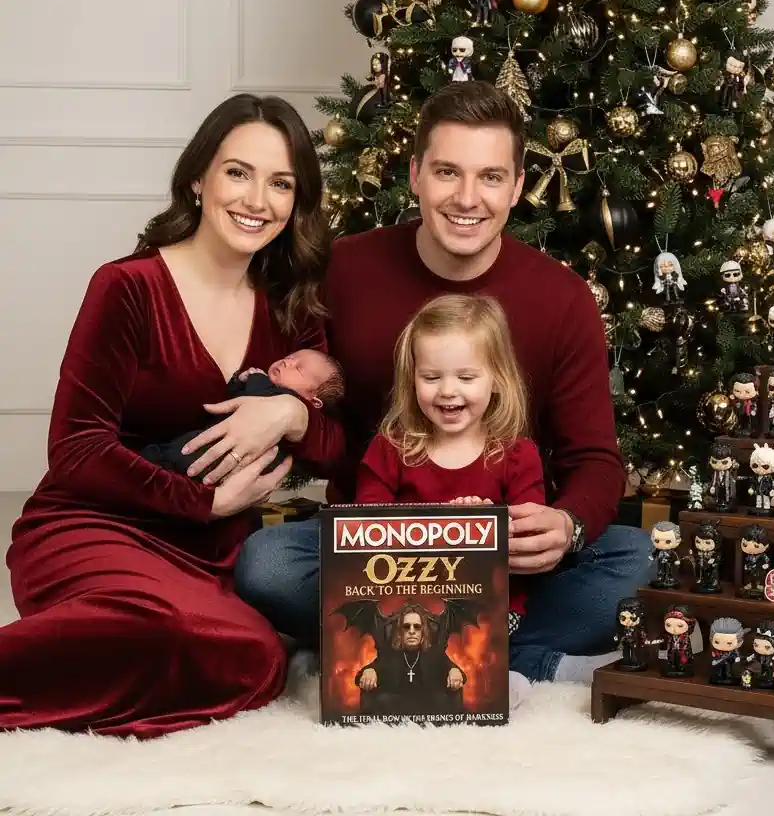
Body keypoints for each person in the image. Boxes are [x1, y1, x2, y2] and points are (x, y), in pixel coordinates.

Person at [231, 80, 650, 685]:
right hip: (379, 554)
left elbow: (595, 460)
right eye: (448, 172)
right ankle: (509, 660)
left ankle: (428, 651)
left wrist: (567, 526)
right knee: (266, 565)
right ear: (416, 175)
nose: (467, 198)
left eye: (490, 177)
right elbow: (306, 407)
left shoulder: (563, 298)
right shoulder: (346, 270)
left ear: (516, 184)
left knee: (638, 561)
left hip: (505, 559)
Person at [0, 94, 346, 737]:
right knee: (174, 631)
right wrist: (203, 504)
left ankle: (90, 650)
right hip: (93, 525)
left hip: (213, 554)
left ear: (296, 202)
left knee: (255, 661)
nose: (257, 200)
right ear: (198, 178)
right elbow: (75, 450)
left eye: (281, 184)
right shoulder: (127, 286)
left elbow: (334, 445)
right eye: (238, 172)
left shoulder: (291, 307)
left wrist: (290, 417)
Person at [353, 293, 547, 703]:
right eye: (431, 377)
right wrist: (441, 522)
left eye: (466, 377)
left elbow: (530, 543)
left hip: (492, 604)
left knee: (625, 559)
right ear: (412, 380)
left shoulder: (516, 454)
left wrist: (488, 527)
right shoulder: (390, 449)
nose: (447, 391)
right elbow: (364, 531)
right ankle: (532, 663)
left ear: (497, 379)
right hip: (403, 597)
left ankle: (510, 665)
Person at [141, 348, 345, 476]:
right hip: (213, 447)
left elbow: (262, 395)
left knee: (177, 456)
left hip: (222, 455)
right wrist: (240, 382)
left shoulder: (283, 397)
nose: (287, 362)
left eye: (298, 369)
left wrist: (257, 378)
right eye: (290, 357)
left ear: (313, 402)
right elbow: (233, 398)